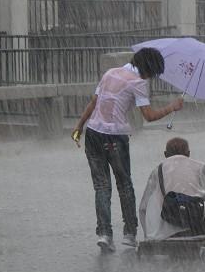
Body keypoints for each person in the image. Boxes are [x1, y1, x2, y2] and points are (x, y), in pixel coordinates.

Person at [73, 48, 184, 252]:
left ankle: (105, 234)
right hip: (115, 137)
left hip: (93, 135)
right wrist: (172, 107)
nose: (150, 77)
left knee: (101, 187)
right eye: (152, 72)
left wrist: (79, 127)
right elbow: (149, 116)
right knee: (124, 185)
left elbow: (93, 103)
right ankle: (130, 234)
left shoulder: (110, 73)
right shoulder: (138, 82)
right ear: (147, 68)